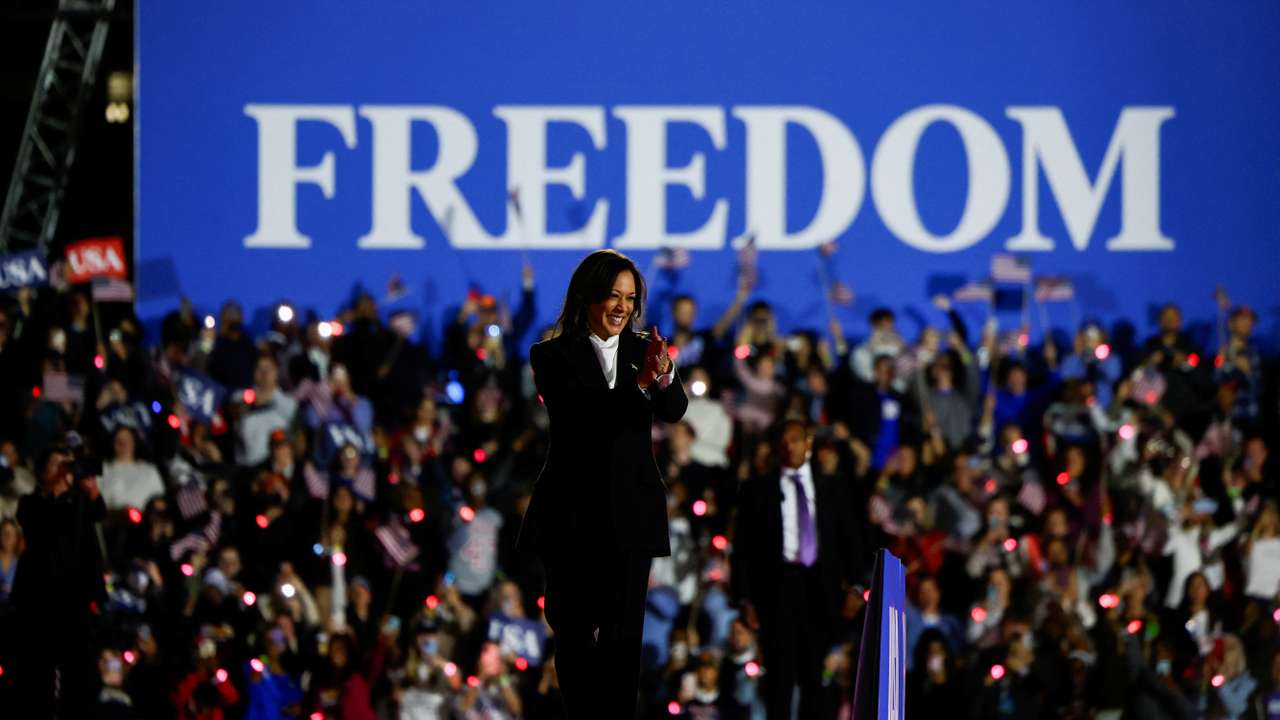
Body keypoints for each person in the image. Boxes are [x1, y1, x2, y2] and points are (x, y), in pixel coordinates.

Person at [515, 248, 688, 719]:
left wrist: (665, 376)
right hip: (570, 517)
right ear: (587, 296)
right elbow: (585, 417)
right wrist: (642, 386)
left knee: (623, 638)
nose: (622, 307)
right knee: (572, 632)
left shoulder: (642, 350)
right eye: (612, 295)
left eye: (630, 298)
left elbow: (673, 410)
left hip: (631, 515)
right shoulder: (551, 354)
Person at [731, 418, 863, 720]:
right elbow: (742, 551)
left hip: (821, 592)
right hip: (775, 593)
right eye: (784, 441)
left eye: (795, 439)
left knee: (815, 683)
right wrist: (745, 599)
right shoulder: (756, 490)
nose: (789, 446)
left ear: (809, 442)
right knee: (779, 681)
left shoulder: (834, 487)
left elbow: (852, 539)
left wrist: (856, 586)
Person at [10, 445, 108, 718]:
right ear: (43, 472)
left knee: (78, 674)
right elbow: (40, 521)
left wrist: (89, 489)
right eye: (57, 465)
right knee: (37, 674)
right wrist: (59, 490)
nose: (64, 471)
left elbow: (98, 512)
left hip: (75, 602)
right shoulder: (32, 503)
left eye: (68, 465)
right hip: (39, 601)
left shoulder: (79, 504)